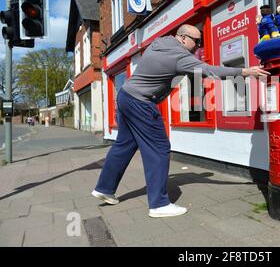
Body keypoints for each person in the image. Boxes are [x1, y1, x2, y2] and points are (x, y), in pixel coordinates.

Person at [92, 24, 270, 218]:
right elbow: (210, 71)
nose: (198, 46)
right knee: (159, 148)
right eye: (196, 41)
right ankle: (159, 205)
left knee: (124, 144)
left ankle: (104, 188)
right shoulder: (180, 56)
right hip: (141, 102)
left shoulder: (160, 42)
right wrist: (245, 72)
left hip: (126, 95)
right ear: (184, 38)